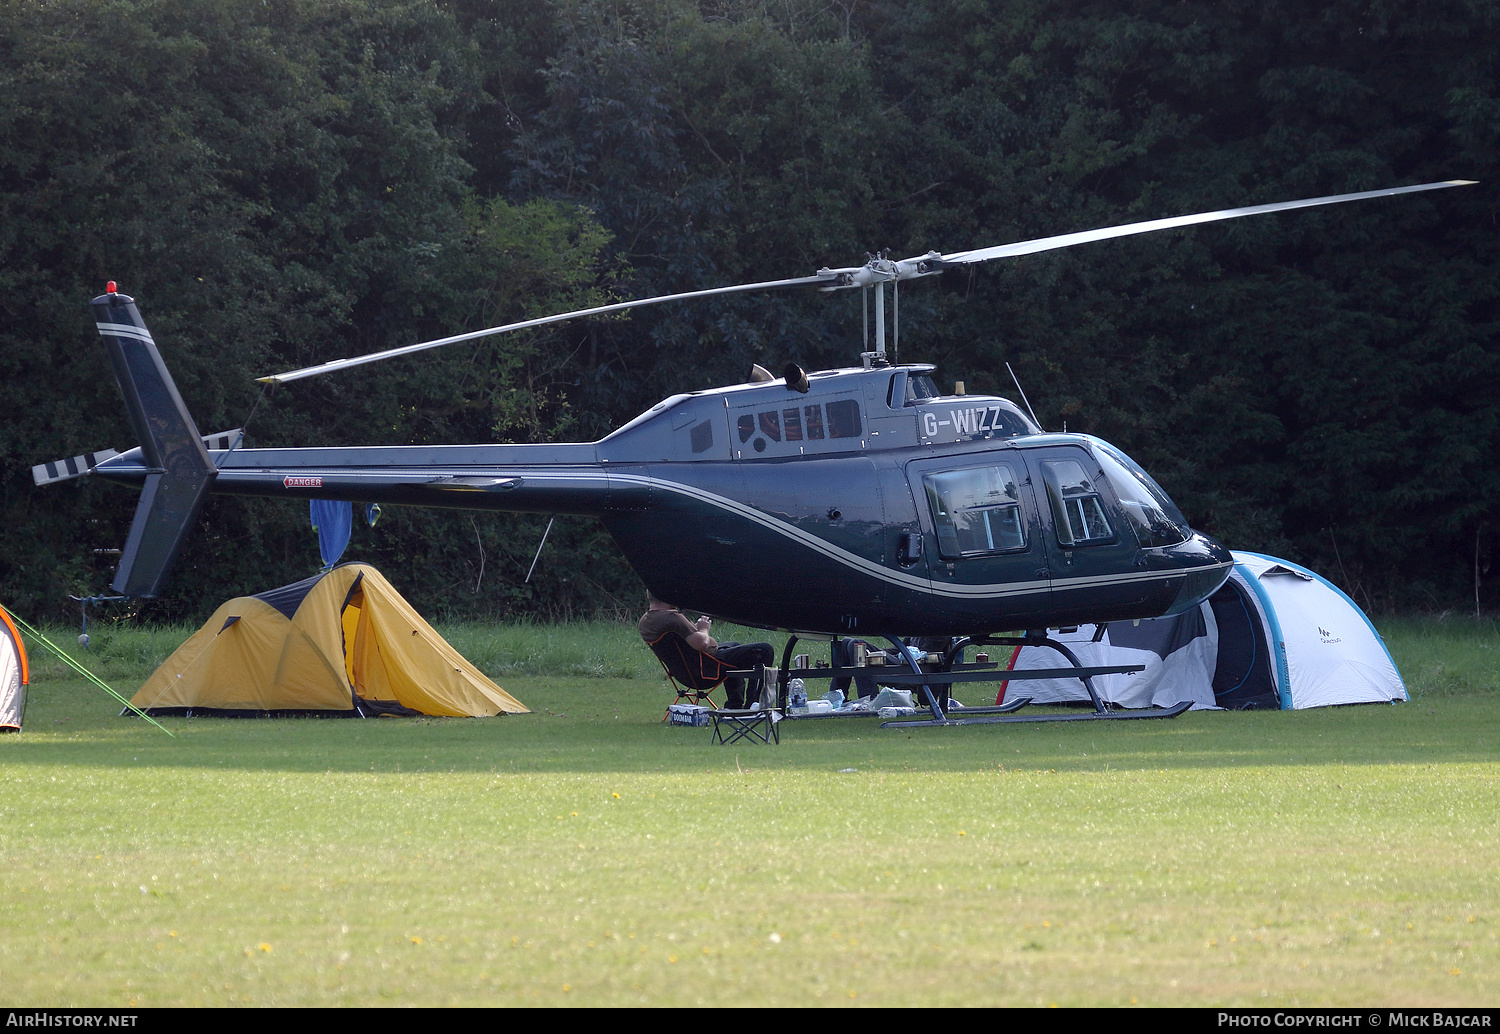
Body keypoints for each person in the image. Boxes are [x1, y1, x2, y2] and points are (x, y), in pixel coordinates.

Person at [638, 596, 774, 709]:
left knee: (735, 646)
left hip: (684, 673)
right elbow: (702, 643)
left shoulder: (645, 621)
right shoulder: (672, 618)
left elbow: (683, 643)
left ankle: (734, 705)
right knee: (764, 650)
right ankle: (753, 705)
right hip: (704, 671)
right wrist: (703, 628)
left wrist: (693, 631)